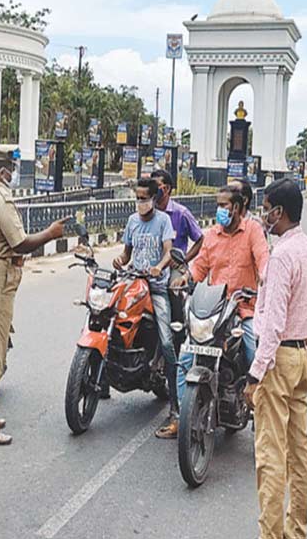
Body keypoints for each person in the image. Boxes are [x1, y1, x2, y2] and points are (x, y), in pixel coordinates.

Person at [0, 144, 70, 445]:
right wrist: (51, 234)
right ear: (3, 171)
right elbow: (21, 242)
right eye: (11, 169)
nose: (13, 174)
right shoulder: (2, 201)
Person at [243, 178, 307, 539]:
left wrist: (256, 374)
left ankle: (270, 535)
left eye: (267, 208)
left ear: (281, 212)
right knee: (299, 452)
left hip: (278, 361)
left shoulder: (281, 256)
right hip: (301, 357)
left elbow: (272, 325)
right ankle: (296, 531)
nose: (263, 214)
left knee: (270, 456)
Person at [164, 185, 269, 439]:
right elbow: (200, 268)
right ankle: (181, 416)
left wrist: (266, 279)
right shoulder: (211, 235)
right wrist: (185, 278)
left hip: (243, 308)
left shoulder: (252, 230)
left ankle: (264, 421)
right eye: (218, 205)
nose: (220, 210)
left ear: (237, 207)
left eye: (224, 205)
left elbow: (263, 259)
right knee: (185, 358)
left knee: (255, 353)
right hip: (215, 310)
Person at [112, 179, 178, 437]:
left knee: (167, 342)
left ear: (155, 197)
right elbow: (126, 254)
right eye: (137, 198)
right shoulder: (131, 221)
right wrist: (119, 260)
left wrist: (160, 267)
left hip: (156, 287)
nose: (140, 202)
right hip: (133, 282)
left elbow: (168, 252)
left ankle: (175, 406)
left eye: (144, 198)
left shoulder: (163, 221)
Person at [151, 169, 204, 263]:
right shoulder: (149, 212)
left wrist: (184, 260)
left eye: (156, 186)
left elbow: (200, 239)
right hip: (152, 265)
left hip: (173, 267)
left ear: (166, 188)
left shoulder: (181, 213)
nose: (152, 190)